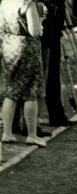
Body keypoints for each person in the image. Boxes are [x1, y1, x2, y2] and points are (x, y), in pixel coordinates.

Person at [0, 0, 47, 147]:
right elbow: (34, 31)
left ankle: (7, 133)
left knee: (11, 90)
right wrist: (41, 19)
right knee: (30, 91)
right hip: (26, 49)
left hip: (8, 45)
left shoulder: (4, 3)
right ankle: (31, 134)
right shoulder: (28, 4)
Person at [41, 0, 76, 128]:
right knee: (49, 74)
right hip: (47, 31)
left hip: (52, 29)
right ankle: (55, 115)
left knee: (52, 74)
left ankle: (56, 114)